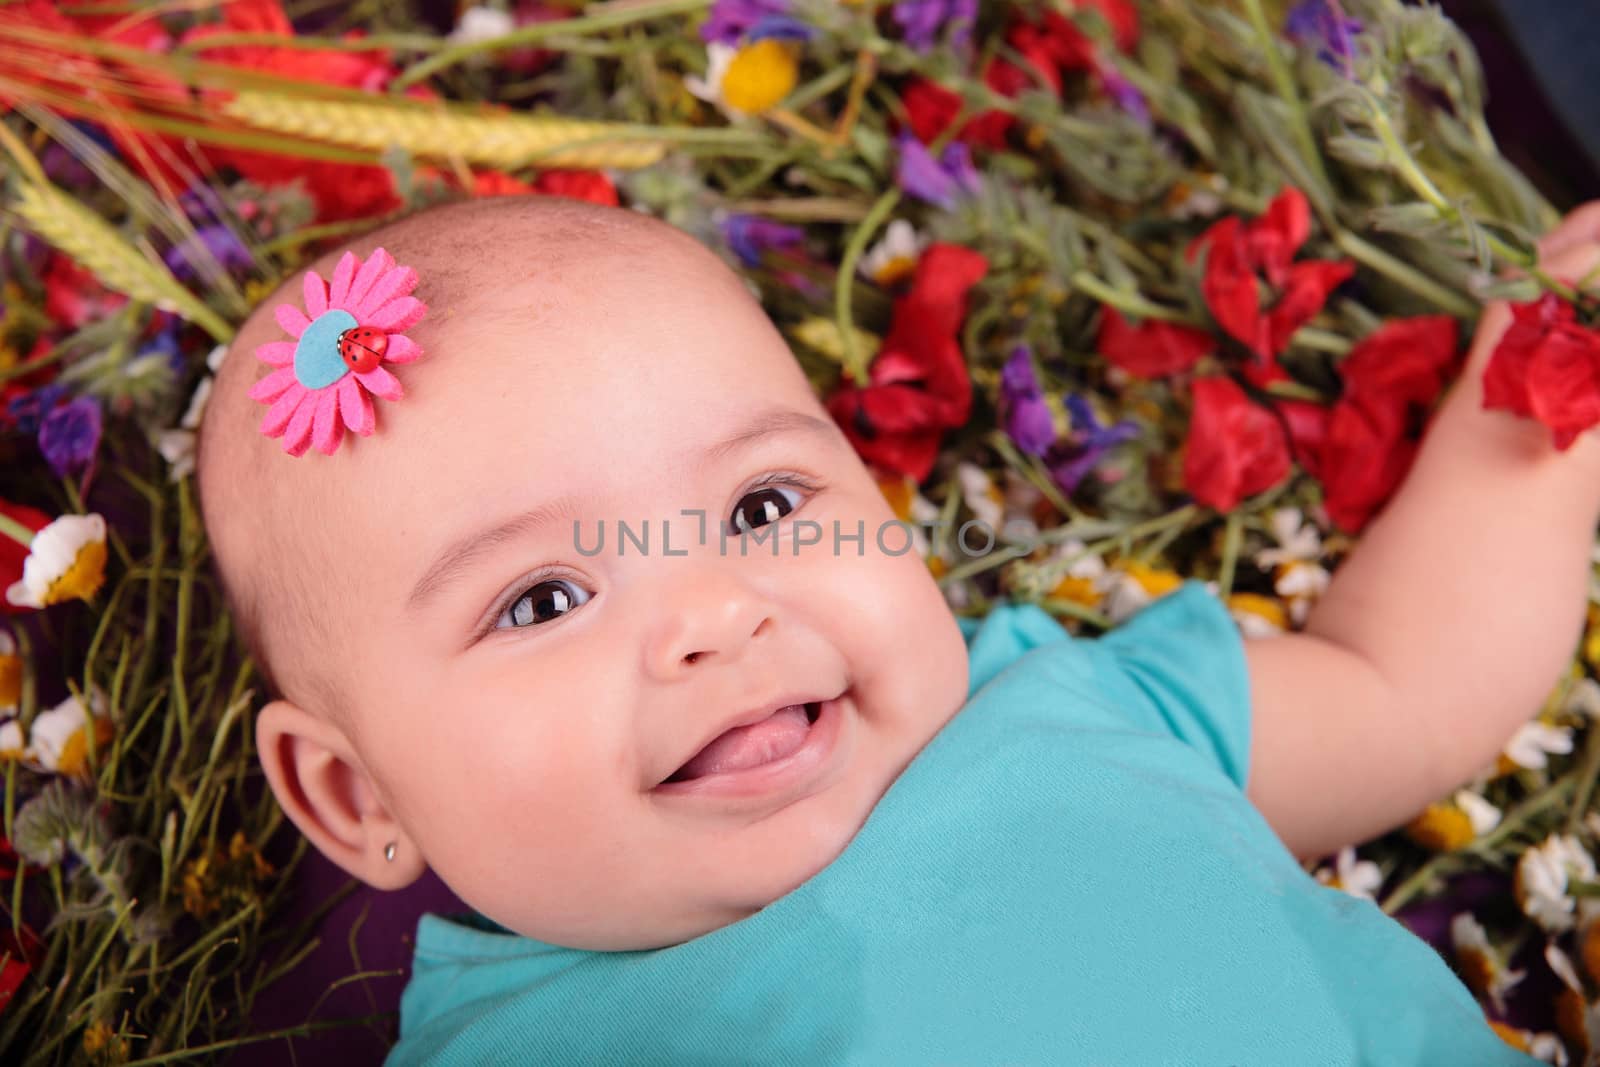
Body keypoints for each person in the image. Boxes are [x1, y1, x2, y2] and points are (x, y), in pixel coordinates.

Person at [197, 193, 1600, 1064]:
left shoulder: (1074, 706)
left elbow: (1401, 681)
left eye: (761, 504)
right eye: (544, 599)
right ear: (355, 791)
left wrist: (1548, 371)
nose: (716, 611)